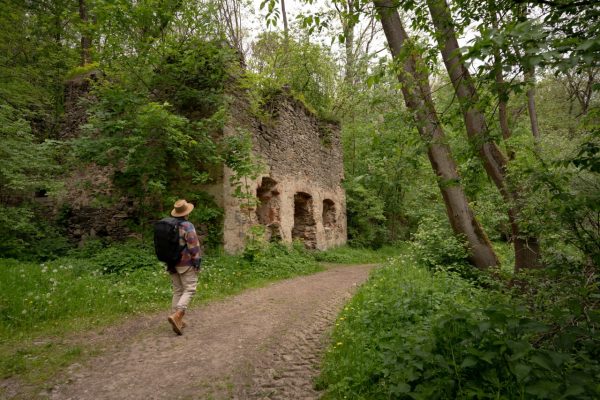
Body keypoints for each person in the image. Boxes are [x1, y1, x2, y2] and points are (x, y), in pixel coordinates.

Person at [167, 199, 202, 335]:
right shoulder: (187, 225)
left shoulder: (170, 225)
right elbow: (193, 244)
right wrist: (197, 261)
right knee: (190, 289)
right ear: (187, 212)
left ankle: (177, 319)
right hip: (185, 263)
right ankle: (178, 314)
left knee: (177, 291)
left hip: (171, 263)